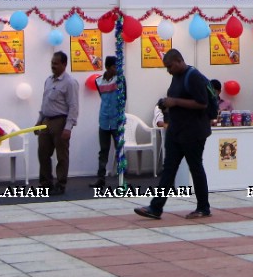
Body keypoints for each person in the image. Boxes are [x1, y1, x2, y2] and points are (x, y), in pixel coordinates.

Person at [135, 49, 212, 220]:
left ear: (179, 61)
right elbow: (177, 98)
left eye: (169, 66)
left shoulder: (194, 76)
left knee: (196, 168)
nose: (168, 70)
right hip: (176, 131)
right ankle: (155, 208)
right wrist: (167, 104)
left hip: (193, 132)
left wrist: (175, 101)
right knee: (169, 168)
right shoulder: (177, 76)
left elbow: (202, 103)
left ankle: (203, 207)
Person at [36, 51, 79, 195]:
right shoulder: (48, 80)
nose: (53, 66)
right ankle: (46, 183)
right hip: (46, 121)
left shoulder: (70, 83)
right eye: (52, 63)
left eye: (56, 63)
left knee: (61, 155)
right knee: (43, 153)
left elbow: (73, 106)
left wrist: (68, 127)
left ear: (64, 64)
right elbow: (44, 103)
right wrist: (39, 121)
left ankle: (61, 184)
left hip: (60, 121)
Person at [91, 56, 125, 190]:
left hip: (117, 121)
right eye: (114, 67)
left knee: (120, 149)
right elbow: (102, 98)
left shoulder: (120, 80)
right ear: (108, 67)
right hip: (104, 120)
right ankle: (100, 178)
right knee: (103, 150)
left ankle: (122, 178)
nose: (117, 69)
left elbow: (124, 97)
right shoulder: (98, 81)